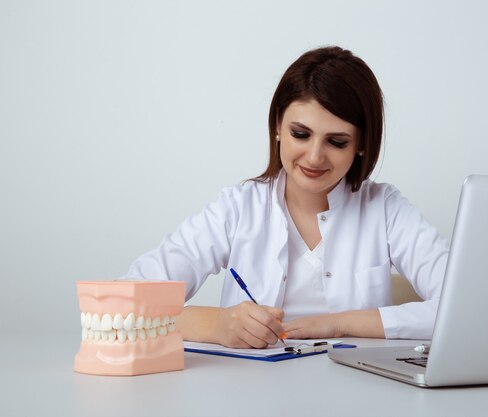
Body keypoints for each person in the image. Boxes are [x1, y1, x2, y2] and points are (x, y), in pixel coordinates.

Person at [124, 46, 449, 348]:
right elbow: (123, 301)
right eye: (301, 134)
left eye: (336, 142)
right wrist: (214, 325)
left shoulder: (386, 209)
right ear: (278, 124)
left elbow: (467, 307)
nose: (314, 157)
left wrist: (340, 324)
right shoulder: (238, 209)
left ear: (362, 144)